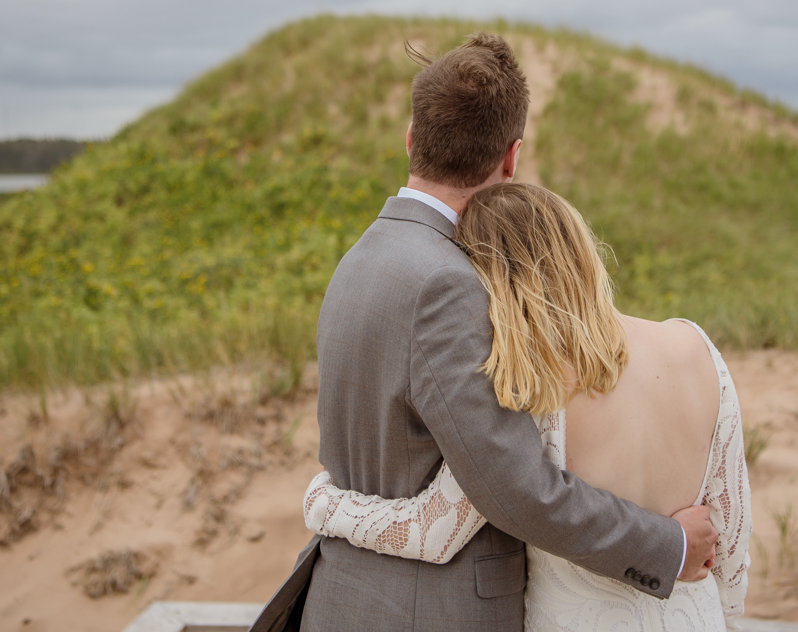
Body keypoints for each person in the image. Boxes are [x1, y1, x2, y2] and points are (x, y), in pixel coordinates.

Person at [252, 33, 717, 632]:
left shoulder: (359, 259)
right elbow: (517, 489)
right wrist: (668, 545)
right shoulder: (451, 287)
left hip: (344, 596)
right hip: (428, 614)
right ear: (511, 158)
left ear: (413, 138)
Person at [303, 182, 752, 631]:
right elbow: (731, 548)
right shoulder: (697, 349)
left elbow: (434, 530)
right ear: (578, 242)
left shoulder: (532, 387)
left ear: (493, 280)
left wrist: (328, 504)